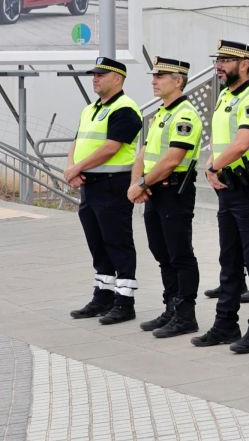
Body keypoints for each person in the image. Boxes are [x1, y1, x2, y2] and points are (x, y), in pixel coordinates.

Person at [197, 40, 249, 350]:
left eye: (226, 59)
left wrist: (214, 166)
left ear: (245, 64)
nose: (219, 64)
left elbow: (243, 142)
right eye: (217, 59)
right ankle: (225, 323)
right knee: (228, 260)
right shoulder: (227, 94)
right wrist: (210, 166)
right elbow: (221, 139)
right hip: (227, 187)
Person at [66, 54, 144, 325]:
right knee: (97, 242)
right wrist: (71, 167)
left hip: (113, 184)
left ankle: (125, 301)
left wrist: (77, 169)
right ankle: (103, 295)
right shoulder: (90, 108)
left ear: (118, 78)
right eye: (94, 74)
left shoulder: (126, 108)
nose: (95, 79)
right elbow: (77, 141)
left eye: (101, 74)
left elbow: (112, 147)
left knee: (117, 241)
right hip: (90, 185)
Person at [132, 56, 203, 337]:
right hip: (154, 192)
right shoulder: (162, 112)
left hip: (174, 191)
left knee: (180, 254)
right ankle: (171, 307)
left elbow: (172, 159)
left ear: (178, 81)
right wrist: (137, 183)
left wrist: (141, 183)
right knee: (161, 252)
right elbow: (144, 152)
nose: (154, 81)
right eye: (154, 76)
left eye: (161, 76)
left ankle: (186, 314)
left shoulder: (185, 114)